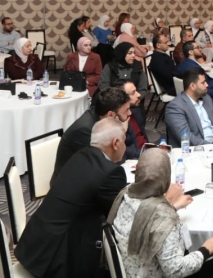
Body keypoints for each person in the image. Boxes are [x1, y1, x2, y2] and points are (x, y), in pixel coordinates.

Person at [109, 148, 213, 278]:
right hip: (158, 274)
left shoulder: (126, 194)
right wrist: (205, 250)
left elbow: (144, 219)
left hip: (133, 270)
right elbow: (175, 270)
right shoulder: (163, 216)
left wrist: (171, 206)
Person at [15, 118, 128, 278]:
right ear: (115, 143)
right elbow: (121, 214)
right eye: (124, 141)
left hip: (34, 244)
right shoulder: (110, 172)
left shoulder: (81, 155)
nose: (126, 146)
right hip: (56, 259)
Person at [53, 87, 131, 181]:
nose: (130, 113)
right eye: (126, 110)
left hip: (88, 175)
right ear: (110, 115)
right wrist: (121, 132)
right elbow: (107, 163)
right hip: (70, 183)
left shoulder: (101, 117)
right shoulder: (85, 130)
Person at [165, 67, 213, 146]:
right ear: (192, 86)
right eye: (203, 83)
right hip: (194, 149)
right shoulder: (175, 107)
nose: (207, 85)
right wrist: (212, 147)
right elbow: (186, 137)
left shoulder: (206, 98)